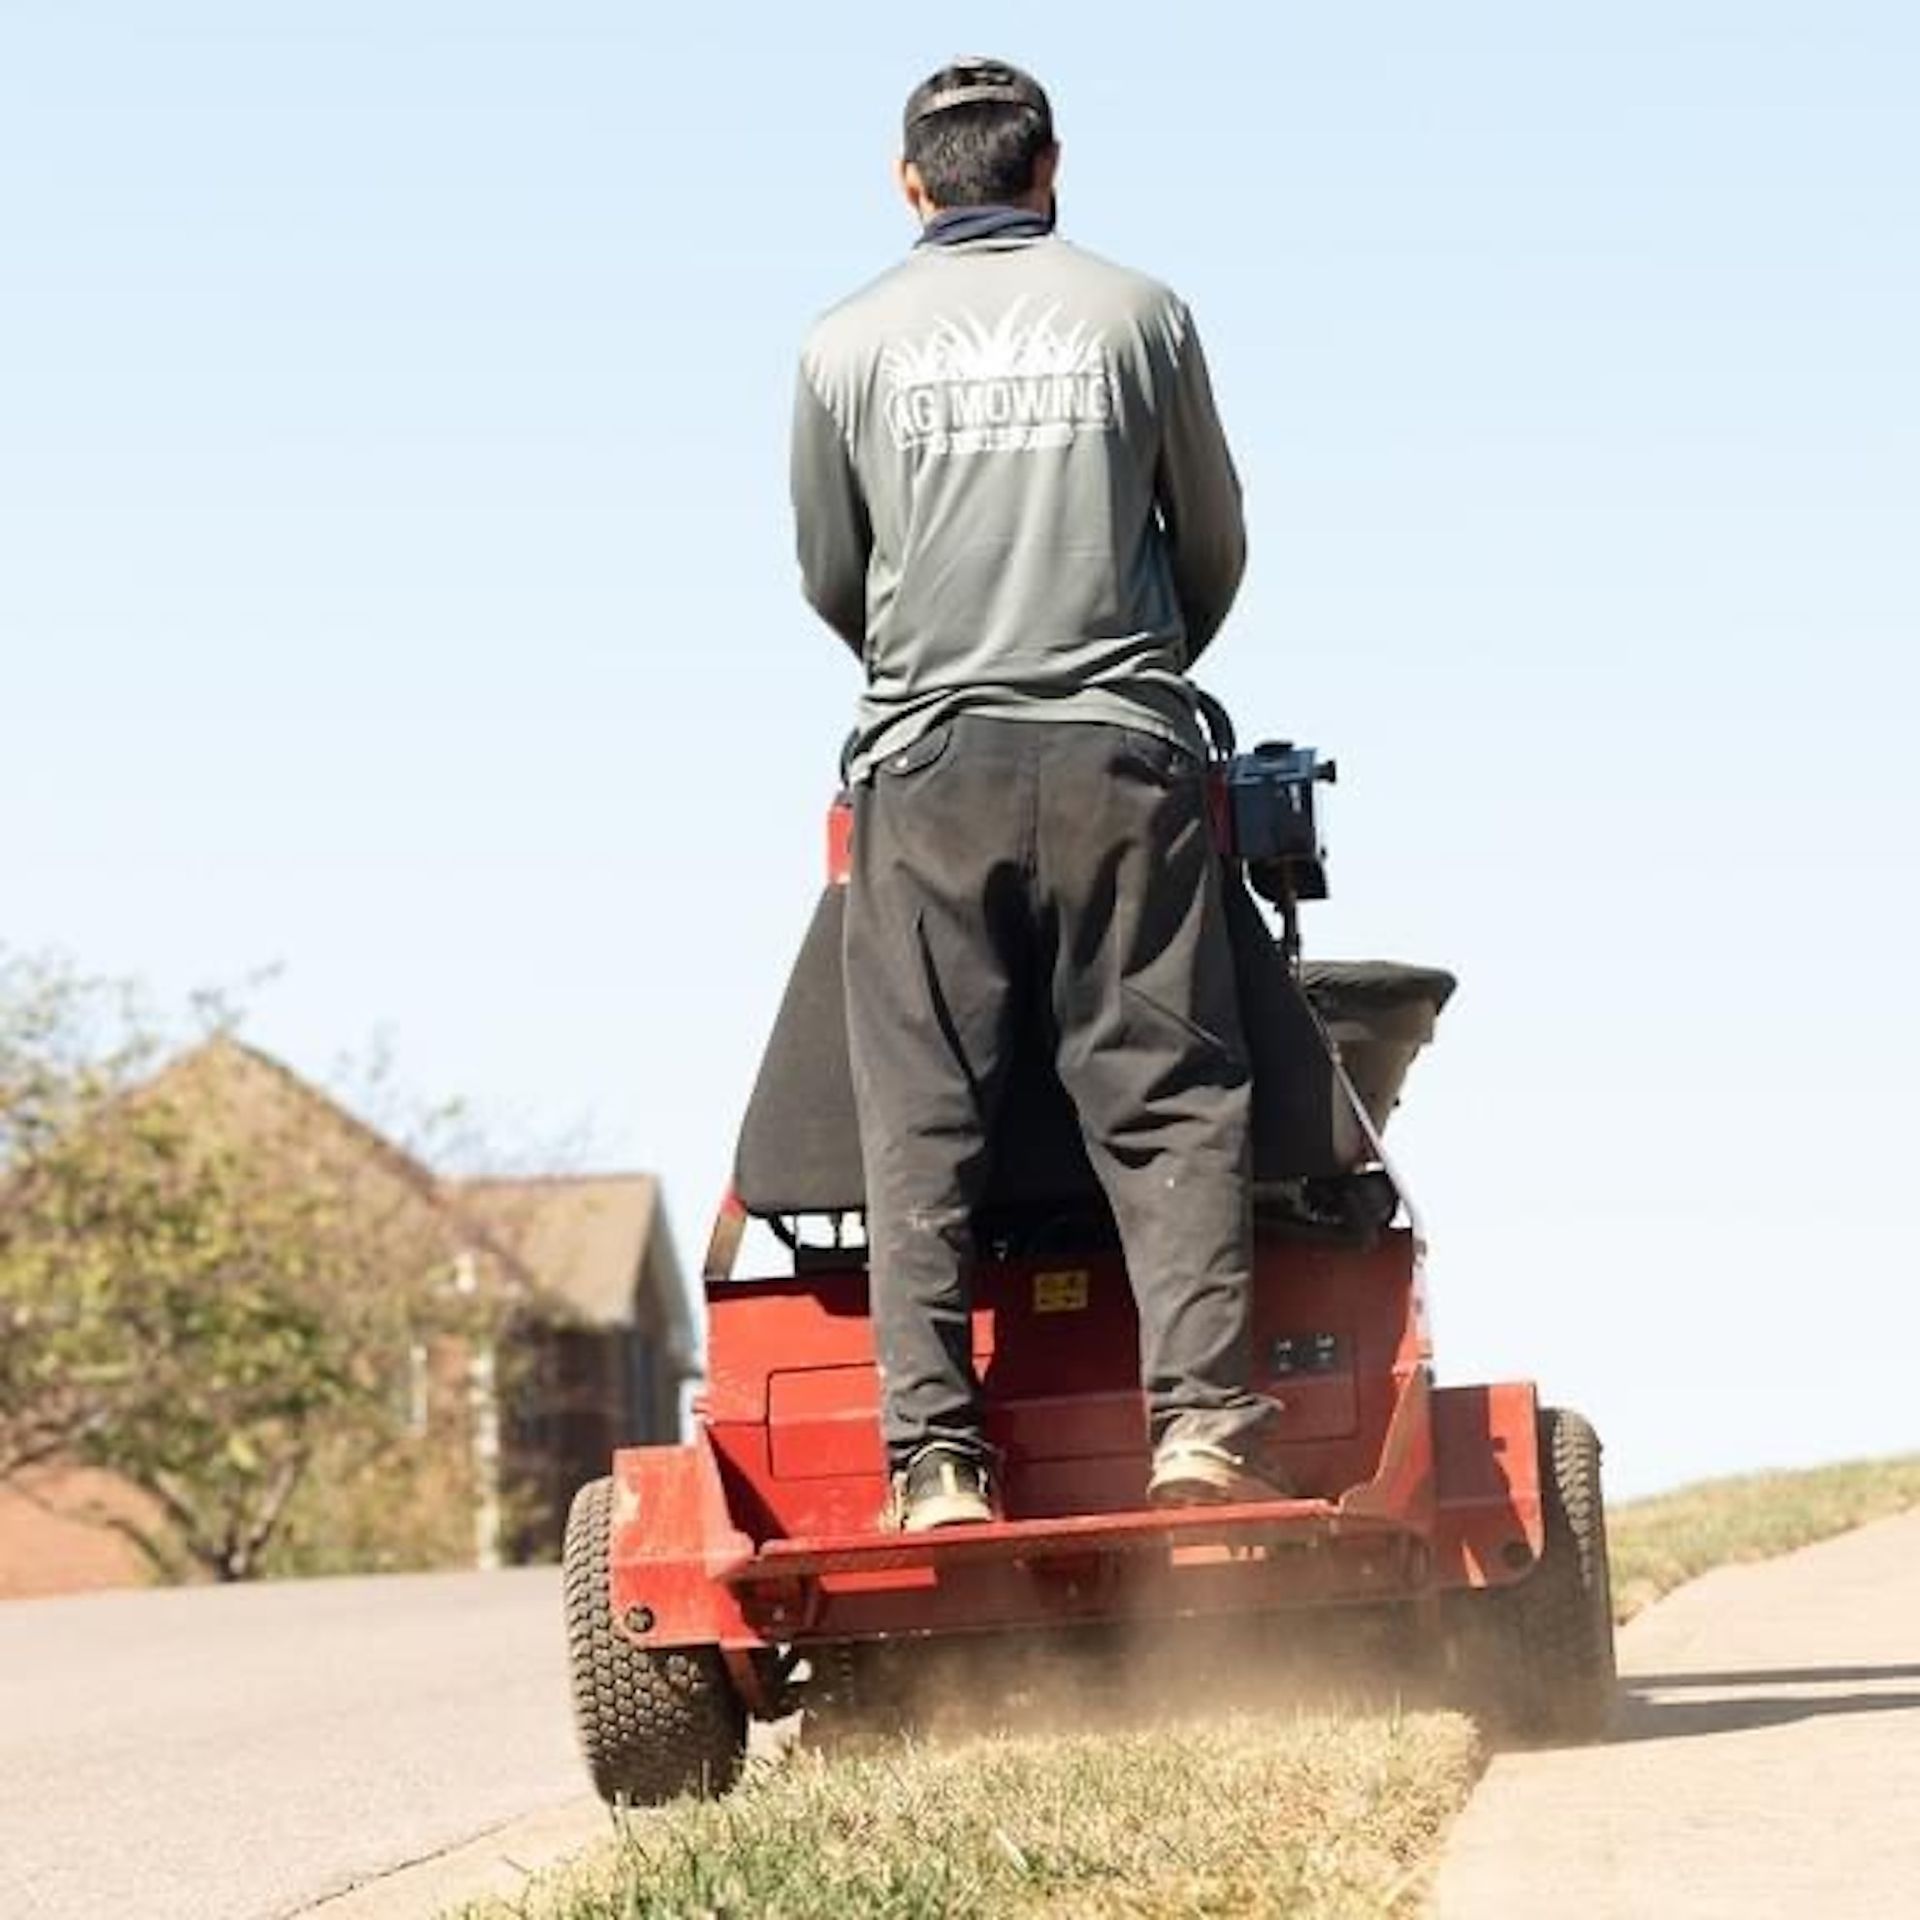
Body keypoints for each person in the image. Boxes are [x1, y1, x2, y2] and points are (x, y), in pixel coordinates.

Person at [790, 57, 1282, 1532]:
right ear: (1050, 167)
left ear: (910, 182)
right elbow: (1213, 538)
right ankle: (1198, 1428)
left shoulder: (840, 347)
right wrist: (1139, 673)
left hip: (927, 768)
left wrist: (930, 678)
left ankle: (936, 1464)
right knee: (1173, 1093)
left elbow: (832, 569)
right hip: (1122, 750)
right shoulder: (1142, 314)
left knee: (921, 1112)